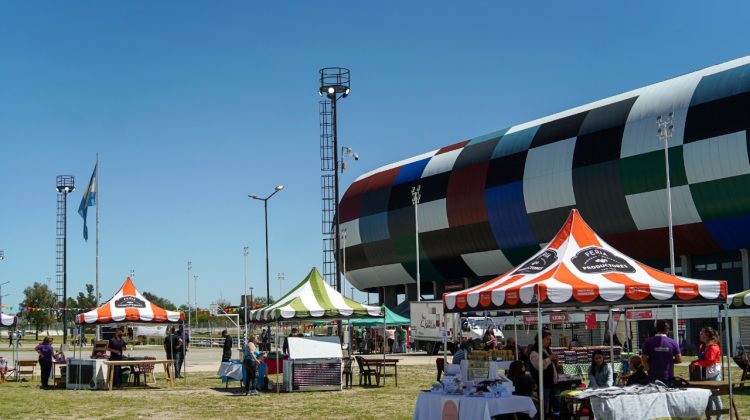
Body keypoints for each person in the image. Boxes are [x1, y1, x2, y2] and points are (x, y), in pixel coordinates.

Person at [691, 326, 723, 417]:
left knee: (716, 397)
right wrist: (695, 362)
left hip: (714, 375)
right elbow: (702, 359)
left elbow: (709, 361)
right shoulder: (702, 346)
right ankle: (710, 417)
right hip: (705, 375)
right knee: (708, 398)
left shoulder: (713, 346)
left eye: (702, 333)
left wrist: (698, 364)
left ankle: (719, 417)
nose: (699, 334)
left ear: (707, 335)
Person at [528, 330, 560, 416]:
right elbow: (539, 366)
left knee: (557, 404)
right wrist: (550, 358)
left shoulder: (547, 350)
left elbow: (551, 365)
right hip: (543, 384)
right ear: (540, 339)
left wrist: (555, 360)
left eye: (550, 339)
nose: (549, 341)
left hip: (552, 383)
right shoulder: (534, 352)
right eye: (547, 339)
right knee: (543, 407)